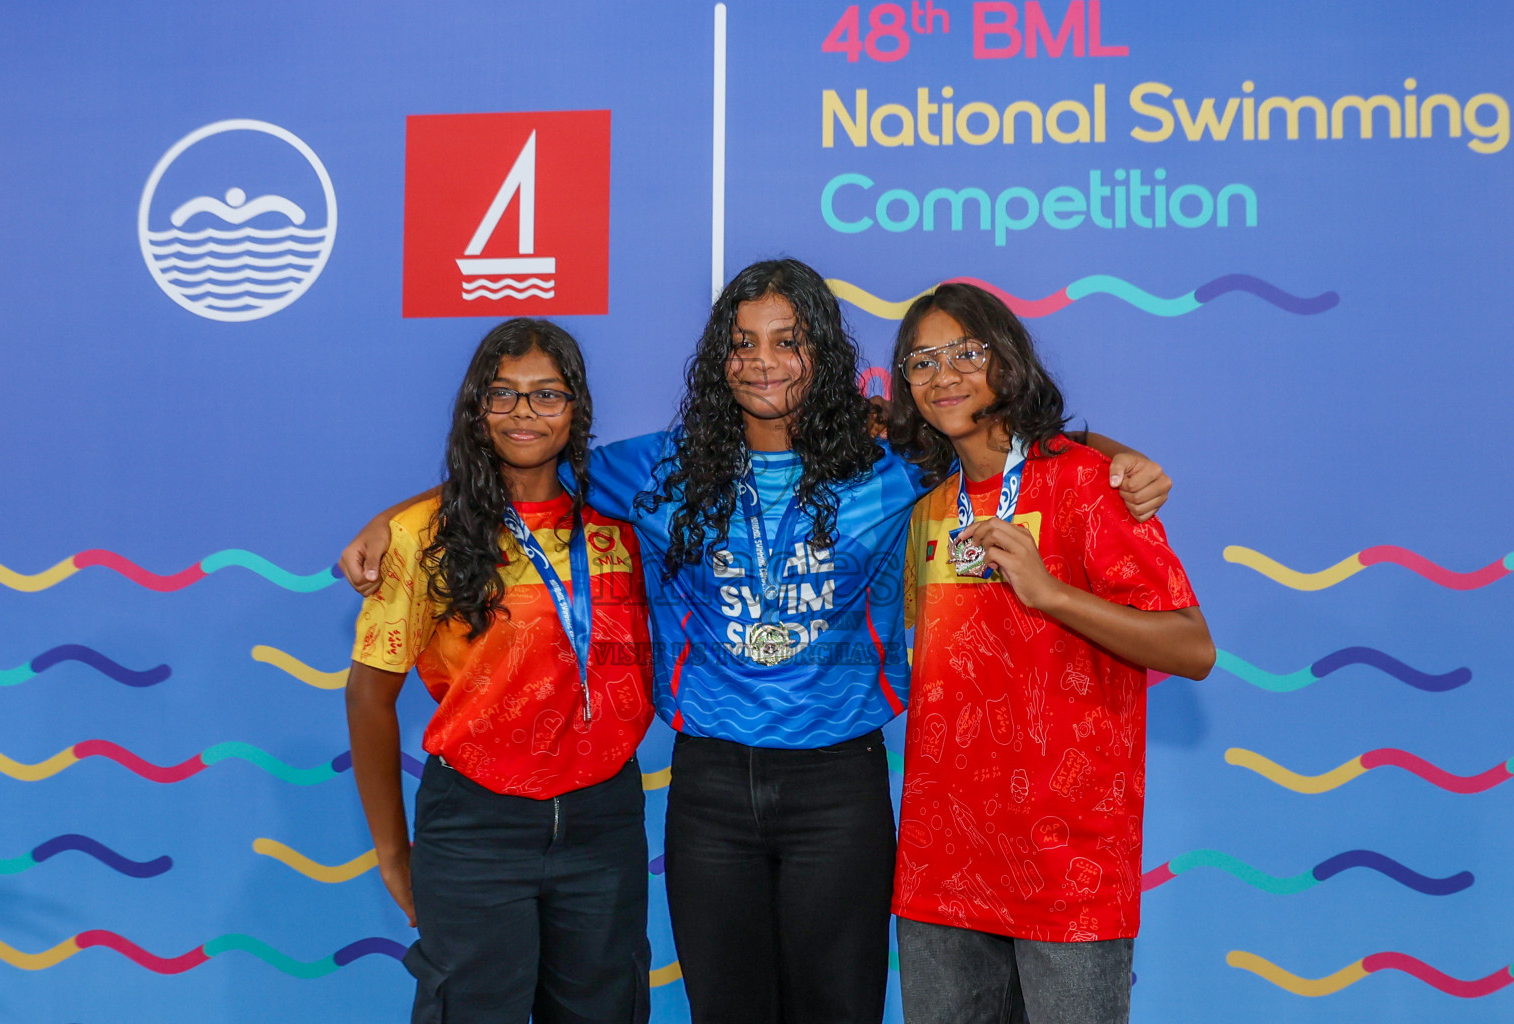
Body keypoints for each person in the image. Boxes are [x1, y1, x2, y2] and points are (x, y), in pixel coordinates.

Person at [341, 259, 1172, 1024]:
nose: (762, 360)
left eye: (786, 341)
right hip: (709, 792)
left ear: (822, 356)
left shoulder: (892, 465)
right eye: (742, 343)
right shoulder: (660, 470)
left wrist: (1118, 454)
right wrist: (394, 518)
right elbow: (528, 462)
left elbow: (1007, 441)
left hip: (839, 789)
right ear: (717, 359)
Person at [884, 282, 1216, 1024]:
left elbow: (1193, 648)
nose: (945, 376)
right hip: (943, 863)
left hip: (1068, 868)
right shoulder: (925, 502)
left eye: (967, 352)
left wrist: (1051, 592)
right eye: (922, 360)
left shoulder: (1090, 483)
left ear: (1007, 360)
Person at [344, 318, 654, 1024]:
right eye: (503, 395)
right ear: (475, 408)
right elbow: (368, 700)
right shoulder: (424, 536)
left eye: (547, 394)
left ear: (577, 407)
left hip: (602, 821)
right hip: (474, 827)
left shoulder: (624, 523)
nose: (524, 413)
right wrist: (394, 854)